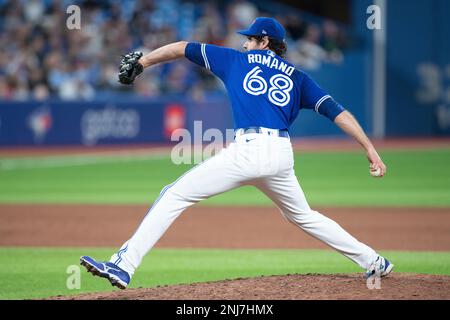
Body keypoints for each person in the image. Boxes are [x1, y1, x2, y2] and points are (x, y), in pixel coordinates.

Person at [80, 17, 393, 289]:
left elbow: (181, 47)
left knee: (174, 195)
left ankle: (123, 265)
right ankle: (374, 261)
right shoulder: (299, 78)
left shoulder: (235, 60)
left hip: (249, 151)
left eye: (250, 38)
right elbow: (340, 114)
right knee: (304, 216)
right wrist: (370, 150)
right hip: (281, 155)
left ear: (264, 41)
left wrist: (142, 64)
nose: (244, 43)